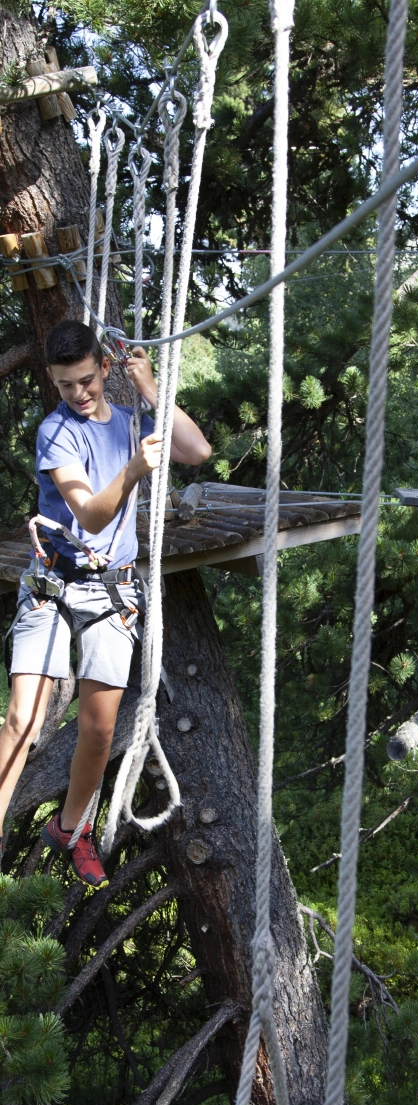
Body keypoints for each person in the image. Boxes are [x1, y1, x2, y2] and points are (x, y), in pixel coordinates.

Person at [0, 319, 211, 887]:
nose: (80, 394)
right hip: (53, 581)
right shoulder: (55, 432)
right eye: (67, 384)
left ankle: (72, 828)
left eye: (89, 380)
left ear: (105, 369)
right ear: (53, 379)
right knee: (23, 717)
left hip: (111, 591)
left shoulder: (128, 421)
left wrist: (149, 389)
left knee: (98, 731)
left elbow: (197, 450)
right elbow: (90, 514)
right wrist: (134, 469)